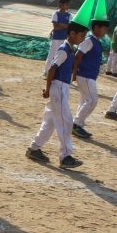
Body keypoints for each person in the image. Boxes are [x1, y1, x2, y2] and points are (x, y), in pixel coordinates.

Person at [27, 22, 85, 169]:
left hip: (61, 88)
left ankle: (34, 148)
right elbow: (52, 69)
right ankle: (65, 156)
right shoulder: (64, 49)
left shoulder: (70, 50)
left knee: (50, 121)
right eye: (81, 35)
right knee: (66, 121)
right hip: (58, 88)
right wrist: (47, 89)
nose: (82, 38)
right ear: (72, 34)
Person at [70, 19, 110, 139]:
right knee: (92, 100)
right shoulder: (89, 41)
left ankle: (78, 125)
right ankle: (76, 124)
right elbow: (78, 56)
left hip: (89, 75)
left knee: (85, 100)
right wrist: (75, 72)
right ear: (96, 27)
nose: (105, 31)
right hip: (85, 75)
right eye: (103, 28)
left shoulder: (96, 42)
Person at [44, 0, 72, 72]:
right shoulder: (55, 14)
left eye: (67, 5)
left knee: (61, 55)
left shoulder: (69, 15)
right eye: (66, 4)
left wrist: (59, 24)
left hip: (64, 38)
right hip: (56, 38)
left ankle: (57, 72)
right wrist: (65, 26)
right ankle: (47, 71)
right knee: (52, 55)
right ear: (61, 5)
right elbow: (55, 28)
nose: (67, 6)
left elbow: (68, 26)